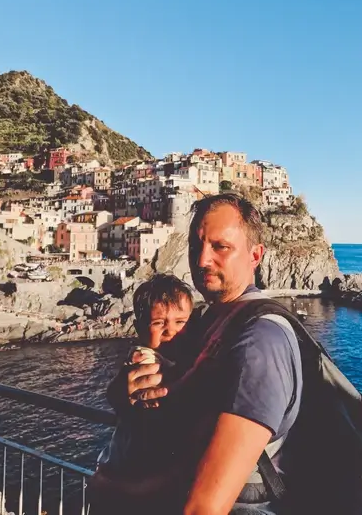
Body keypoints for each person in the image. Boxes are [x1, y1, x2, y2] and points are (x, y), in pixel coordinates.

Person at [117, 193, 303, 514]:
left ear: (255, 255)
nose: (202, 260)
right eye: (196, 246)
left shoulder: (259, 340)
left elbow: (205, 508)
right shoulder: (209, 322)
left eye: (221, 247)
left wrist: (119, 492)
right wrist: (126, 393)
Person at [90, 273, 194, 512]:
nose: (171, 331)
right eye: (159, 323)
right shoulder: (146, 360)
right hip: (132, 478)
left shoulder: (178, 361)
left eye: (181, 322)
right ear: (140, 328)